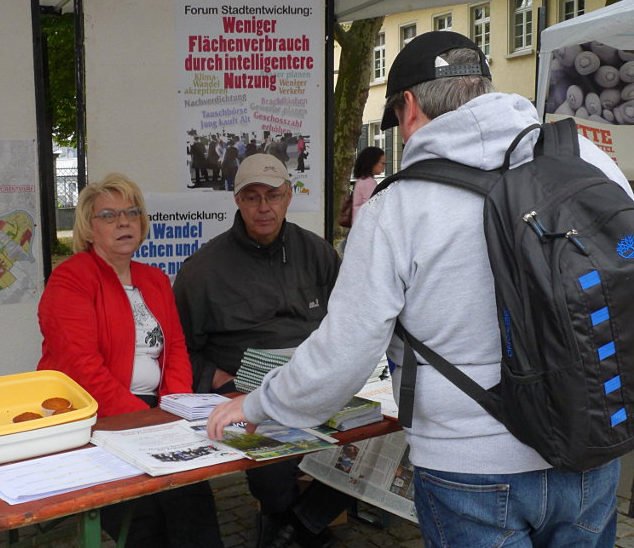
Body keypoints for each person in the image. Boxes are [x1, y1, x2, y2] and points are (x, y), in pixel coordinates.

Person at [207, 31, 634, 548]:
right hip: (590, 443)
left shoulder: (397, 206)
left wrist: (257, 405)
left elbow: (345, 355)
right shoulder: (586, 158)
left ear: (408, 106)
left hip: (470, 465)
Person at [37, 172, 223, 548]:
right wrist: (146, 423)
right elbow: (81, 369)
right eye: (108, 215)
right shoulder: (70, 279)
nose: (123, 221)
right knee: (144, 520)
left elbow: (175, 349)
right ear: (89, 229)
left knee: (193, 501)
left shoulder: (154, 279)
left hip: (158, 413)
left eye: (132, 212)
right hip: (97, 420)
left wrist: (174, 409)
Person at [173, 154, 347, 548]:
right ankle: (296, 524)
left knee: (381, 436)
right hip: (243, 393)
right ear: (237, 201)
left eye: (273, 195)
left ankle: (296, 528)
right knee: (270, 469)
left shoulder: (318, 253)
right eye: (252, 197)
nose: (264, 207)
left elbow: (347, 325)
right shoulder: (202, 270)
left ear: (289, 196)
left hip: (315, 385)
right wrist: (217, 380)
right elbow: (178, 345)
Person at [351, 146, 385, 222]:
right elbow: (373, 207)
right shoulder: (369, 182)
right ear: (372, 162)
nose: (384, 167)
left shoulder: (361, 180)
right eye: (382, 163)